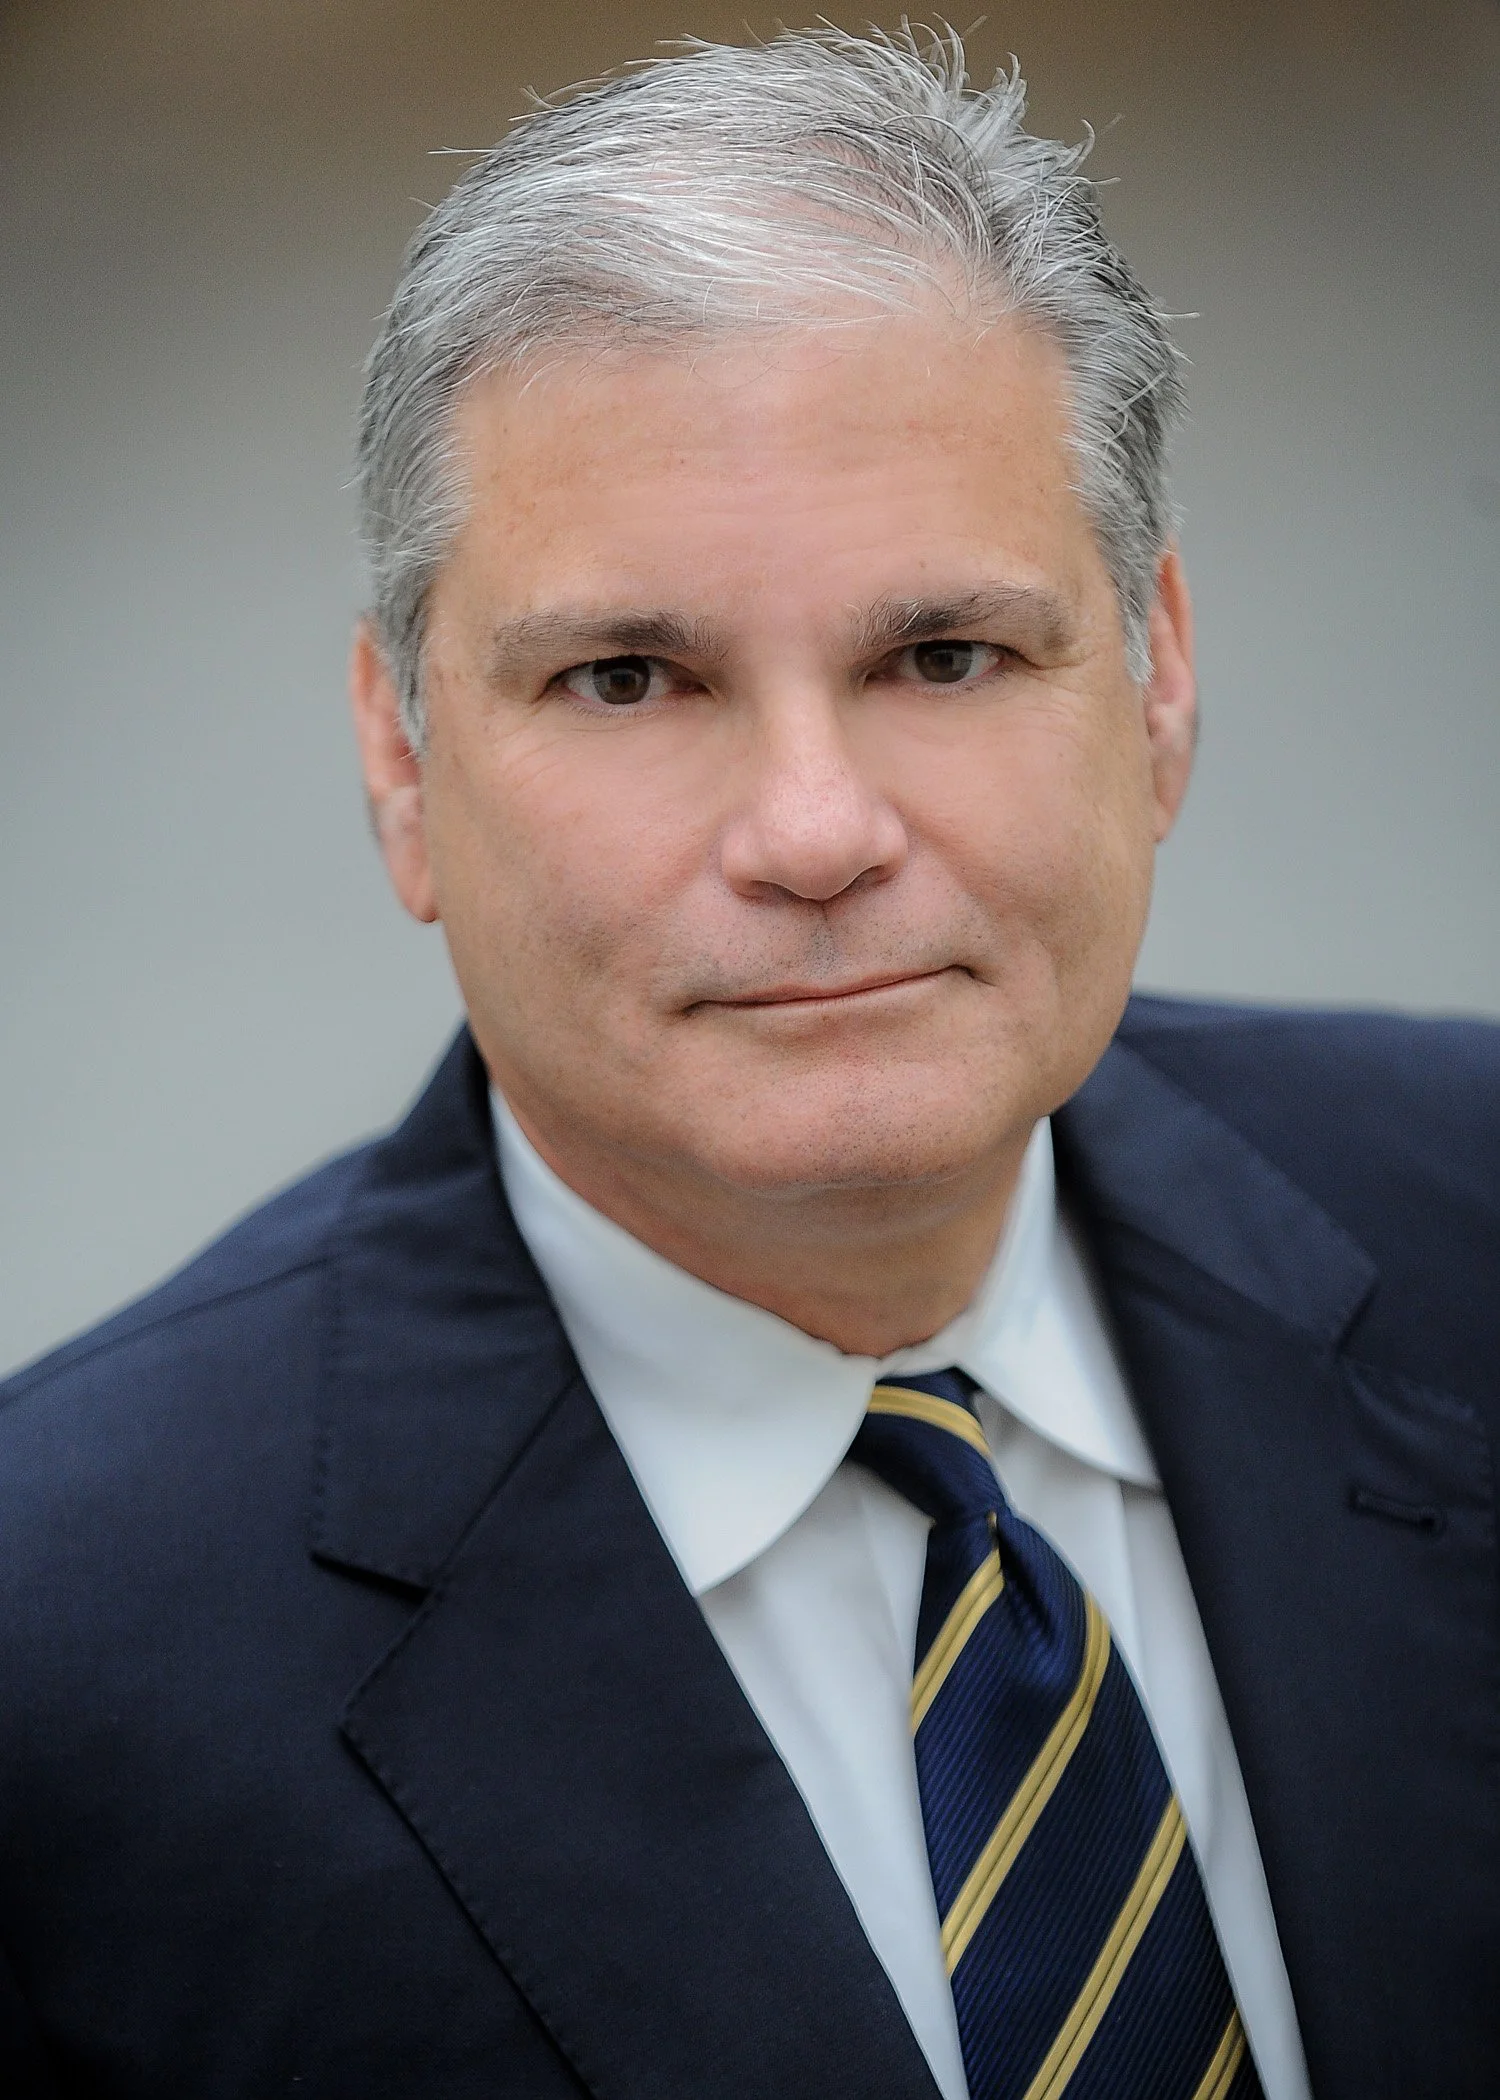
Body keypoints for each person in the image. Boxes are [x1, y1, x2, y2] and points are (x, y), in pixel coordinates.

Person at [0, 25, 1494, 2100]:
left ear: (1154, 682)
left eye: (943, 656)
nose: (814, 830)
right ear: (398, 759)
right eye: (631, 677)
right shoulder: (55, 1659)